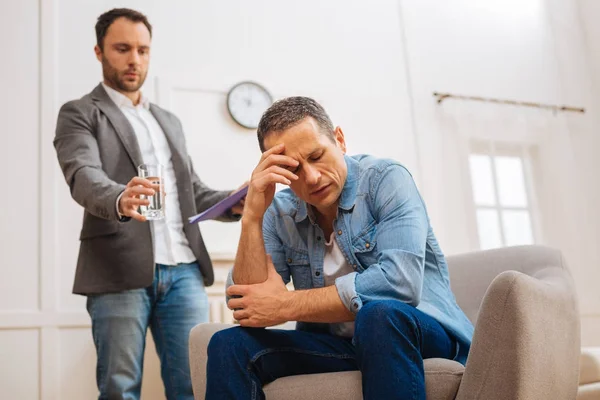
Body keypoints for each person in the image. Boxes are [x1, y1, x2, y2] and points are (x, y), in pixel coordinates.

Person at [205, 96, 474, 400]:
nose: (312, 177)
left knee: (378, 315)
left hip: (415, 331)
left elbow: (400, 284)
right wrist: (252, 217)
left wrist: (284, 305)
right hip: (341, 344)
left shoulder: (386, 180)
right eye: (293, 169)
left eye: (317, 156)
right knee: (227, 345)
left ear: (340, 141)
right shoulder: (278, 211)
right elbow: (248, 304)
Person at [53, 8, 243, 400]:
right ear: (99, 51)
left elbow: (192, 191)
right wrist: (120, 197)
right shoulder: (80, 112)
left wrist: (235, 201)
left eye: (142, 50)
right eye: (122, 48)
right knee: (120, 388)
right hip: (117, 269)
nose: (134, 59)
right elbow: (83, 175)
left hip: (185, 272)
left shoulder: (168, 120)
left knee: (194, 384)